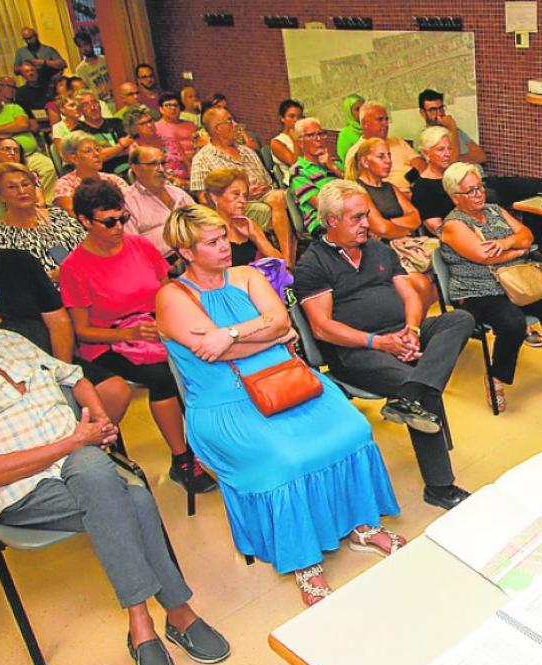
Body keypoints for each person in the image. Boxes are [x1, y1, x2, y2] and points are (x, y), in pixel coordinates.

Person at [0, 275, 229, 665]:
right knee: (131, 497)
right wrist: (73, 443)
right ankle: (173, 611)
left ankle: (142, 624)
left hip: (80, 455)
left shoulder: (9, 342)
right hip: (20, 488)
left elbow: (74, 376)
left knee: (96, 473)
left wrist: (96, 417)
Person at [156, 205, 404, 605]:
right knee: (285, 458)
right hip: (228, 401)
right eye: (213, 242)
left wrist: (235, 333)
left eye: (224, 238)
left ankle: (359, 523)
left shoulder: (247, 275)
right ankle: (303, 559)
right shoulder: (172, 297)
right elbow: (215, 354)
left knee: (354, 430)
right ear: (186, 252)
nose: (224, 247)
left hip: (288, 378)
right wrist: (268, 335)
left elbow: (280, 322)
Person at [293, 179, 473, 511]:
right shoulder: (313, 264)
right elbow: (322, 328)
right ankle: (439, 485)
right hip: (356, 351)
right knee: (416, 387)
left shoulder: (377, 248)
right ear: (332, 221)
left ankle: (409, 397)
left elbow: (410, 293)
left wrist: (413, 330)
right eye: (357, 218)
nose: (367, 224)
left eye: (366, 216)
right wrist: (380, 343)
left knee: (458, 320)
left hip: (398, 334)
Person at [59, 178, 216, 494]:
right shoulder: (74, 267)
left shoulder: (140, 246)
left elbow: (166, 291)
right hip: (108, 341)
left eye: (123, 218)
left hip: (153, 328)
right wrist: (128, 332)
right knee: (162, 377)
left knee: (204, 358)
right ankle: (181, 457)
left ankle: (211, 442)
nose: (119, 227)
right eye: (109, 221)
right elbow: (82, 331)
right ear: (85, 221)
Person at [439, 162, 542, 412]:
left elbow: (527, 235)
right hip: (477, 291)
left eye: (480, 188)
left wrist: (507, 243)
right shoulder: (454, 225)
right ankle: (496, 377)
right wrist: (518, 250)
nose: (479, 195)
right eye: (471, 191)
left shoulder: (495, 210)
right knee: (513, 323)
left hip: (514, 282)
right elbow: (484, 256)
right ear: (455, 197)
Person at [0, 221, 131, 421]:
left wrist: (62, 369)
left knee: (116, 390)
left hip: (47, 356)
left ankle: (85, 441)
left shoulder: (19, 261)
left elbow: (59, 321)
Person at [418, 88, 542, 247]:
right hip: (474, 190)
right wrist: (452, 130)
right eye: (433, 110)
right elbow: (453, 165)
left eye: (441, 108)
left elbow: (480, 155)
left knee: (538, 187)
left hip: (483, 179)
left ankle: (533, 245)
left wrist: (455, 138)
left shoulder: (452, 134)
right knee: (489, 197)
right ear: (423, 113)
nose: (439, 114)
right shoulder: (430, 143)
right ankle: (520, 245)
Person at [189, 107, 293, 264]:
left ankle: (286, 260)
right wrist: (243, 195)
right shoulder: (202, 158)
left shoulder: (246, 151)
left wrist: (265, 188)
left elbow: (268, 181)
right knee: (281, 206)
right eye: (230, 121)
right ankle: (285, 260)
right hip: (233, 206)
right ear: (218, 128)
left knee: (284, 198)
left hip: (265, 196)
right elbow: (204, 199)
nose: (236, 124)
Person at [0, 162, 84, 279]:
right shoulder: (0, 233)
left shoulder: (58, 215)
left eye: (25, 184)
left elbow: (87, 248)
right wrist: (52, 277)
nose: (21, 191)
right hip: (47, 293)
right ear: (0, 195)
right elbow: (16, 278)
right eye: (12, 187)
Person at [0, 80, 57, 201]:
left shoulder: (14, 108)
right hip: (2, 162)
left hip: (30, 155)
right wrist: (15, 127)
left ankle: (45, 203)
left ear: (0, 94)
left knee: (47, 167)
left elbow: (24, 124)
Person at [123, 144, 195, 261]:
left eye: (163, 163)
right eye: (153, 164)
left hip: (194, 253)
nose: (161, 169)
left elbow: (200, 221)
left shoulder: (177, 193)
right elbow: (133, 247)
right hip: (160, 263)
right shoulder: (127, 200)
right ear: (135, 168)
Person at [344, 137, 421, 240]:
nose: (388, 161)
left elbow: (416, 218)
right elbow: (382, 228)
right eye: (381, 157)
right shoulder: (357, 190)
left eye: (389, 156)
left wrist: (389, 223)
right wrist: (407, 230)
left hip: (403, 244)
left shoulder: (390, 187)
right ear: (365, 162)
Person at [203, 167, 281, 266]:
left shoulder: (249, 225)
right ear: (215, 197)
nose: (243, 200)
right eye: (236, 194)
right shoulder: (207, 232)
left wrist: (255, 237)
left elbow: (280, 264)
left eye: (244, 195)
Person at [350, 100, 423, 192]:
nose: (385, 124)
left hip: (418, 190)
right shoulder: (357, 152)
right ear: (365, 124)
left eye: (386, 119)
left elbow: (420, 165)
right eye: (379, 119)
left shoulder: (397, 141)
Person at [288, 117, 343, 236]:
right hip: (323, 224)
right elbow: (323, 206)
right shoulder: (298, 171)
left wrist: (333, 168)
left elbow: (358, 189)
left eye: (321, 134)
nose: (318, 139)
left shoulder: (336, 164)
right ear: (301, 142)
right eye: (311, 135)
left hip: (349, 218)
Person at [53, 132, 130, 215]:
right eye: (88, 151)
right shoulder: (64, 184)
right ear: (74, 158)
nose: (96, 154)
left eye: (97, 149)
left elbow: (130, 204)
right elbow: (72, 212)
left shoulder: (113, 180)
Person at [410, 126, 457, 236]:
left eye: (449, 148)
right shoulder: (422, 188)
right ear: (427, 154)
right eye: (441, 149)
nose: (447, 154)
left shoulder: (454, 176)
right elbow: (437, 228)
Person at [74, 91, 132, 173]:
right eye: (86, 105)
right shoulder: (78, 133)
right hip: (102, 174)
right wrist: (121, 146)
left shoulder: (116, 122)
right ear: (80, 111)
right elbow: (96, 158)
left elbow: (131, 147)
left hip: (129, 166)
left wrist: (107, 152)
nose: (93, 107)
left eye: (95, 102)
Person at [154, 91, 197, 187]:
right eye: (168, 105)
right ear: (161, 109)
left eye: (175, 105)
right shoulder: (156, 128)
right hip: (174, 168)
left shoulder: (190, 124)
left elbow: (199, 144)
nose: (172, 108)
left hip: (196, 163)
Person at [0, 136, 44, 206]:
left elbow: (40, 202)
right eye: (6, 149)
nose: (12, 153)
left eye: (16, 150)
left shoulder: (30, 174)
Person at [72, 31, 113, 112]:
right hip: (101, 106)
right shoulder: (80, 70)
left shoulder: (105, 59)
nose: (84, 49)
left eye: (86, 44)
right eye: (80, 46)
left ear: (91, 43)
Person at [268, 98, 302, 183]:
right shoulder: (276, 142)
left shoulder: (307, 135)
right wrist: (296, 140)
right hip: (295, 180)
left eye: (299, 117)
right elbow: (295, 164)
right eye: (291, 116)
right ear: (282, 118)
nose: (296, 120)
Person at [335, 93, 364, 164]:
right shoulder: (345, 135)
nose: (361, 111)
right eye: (357, 109)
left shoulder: (372, 126)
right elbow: (347, 160)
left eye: (363, 108)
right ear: (349, 113)